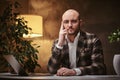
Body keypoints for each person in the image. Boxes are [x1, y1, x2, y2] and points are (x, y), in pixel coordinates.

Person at [47, 9, 106, 76]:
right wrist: (60, 44)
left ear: (80, 23)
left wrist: (74, 71)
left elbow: (100, 68)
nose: (70, 25)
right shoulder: (57, 42)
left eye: (74, 21)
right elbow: (51, 69)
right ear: (62, 24)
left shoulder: (93, 39)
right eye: (66, 22)